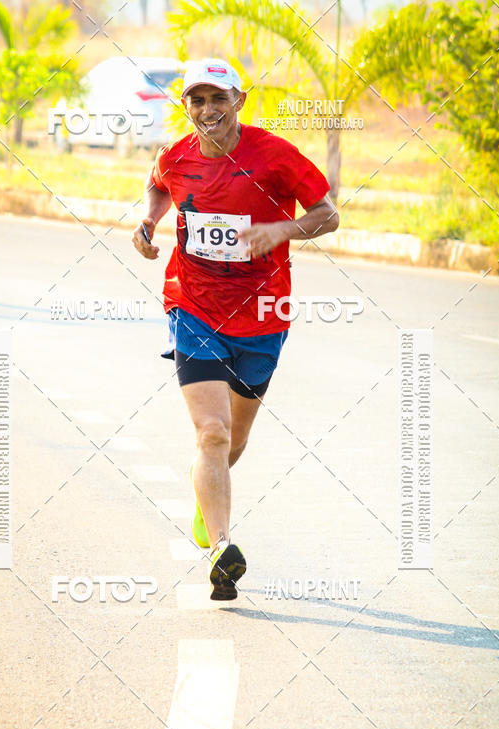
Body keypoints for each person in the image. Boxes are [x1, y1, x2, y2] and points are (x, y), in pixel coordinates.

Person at [132, 58, 339, 601]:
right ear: (186, 106)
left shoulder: (274, 156)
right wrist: (148, 221)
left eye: (217, 99)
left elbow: (327, 213)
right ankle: (223, 549)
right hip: (193, 305)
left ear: (239, 101)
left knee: (234, 440)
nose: (207, 111)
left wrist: (281, 228)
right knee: (213, 433)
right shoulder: (174, 155)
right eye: (196, 100)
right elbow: (157, 186)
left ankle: (206, 497)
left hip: (264, 315)